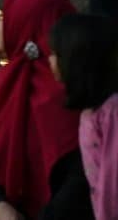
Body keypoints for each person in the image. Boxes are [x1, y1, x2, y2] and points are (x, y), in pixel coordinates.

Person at [0, 0, 91, 219]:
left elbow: (78, 185)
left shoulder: (75, 98)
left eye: (5, 16)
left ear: (27, 23)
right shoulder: (9, 85)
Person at [51, 13, 118, 220]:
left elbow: (112, 184)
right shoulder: (91, 113)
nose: (50, 60)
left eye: (55, 54)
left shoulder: (111, 113)